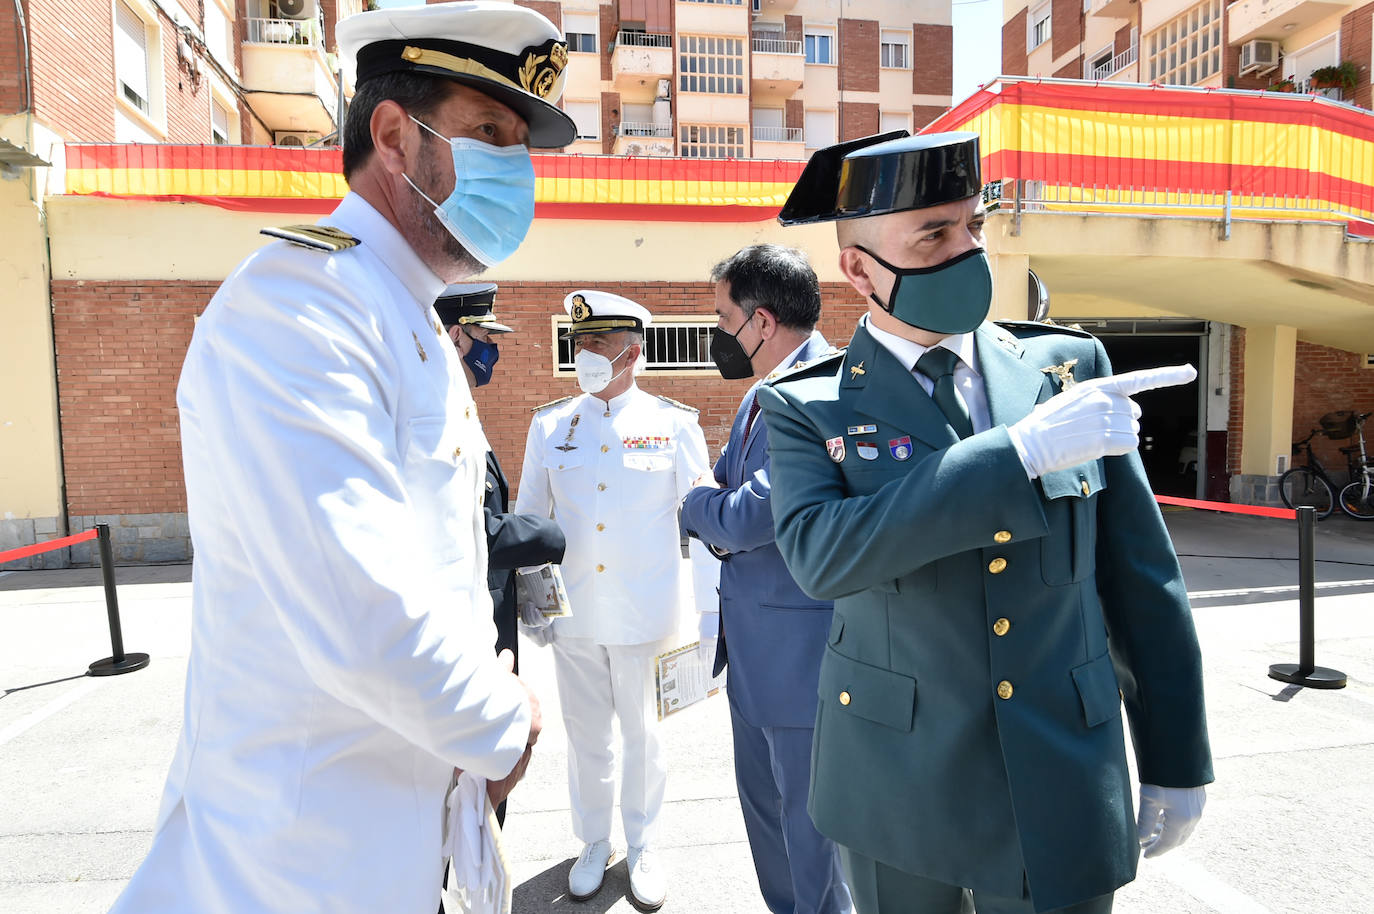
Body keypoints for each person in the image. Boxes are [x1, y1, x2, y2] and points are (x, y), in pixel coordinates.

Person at [107, 5, 576, 913]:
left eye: (521, 147)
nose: (516, 170)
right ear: (395, 136)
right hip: (292, 862)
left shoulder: (402, 311)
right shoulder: (300, 305)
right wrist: (500, 720)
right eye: (491, 133)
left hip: (393, 841)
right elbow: (359, 606)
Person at [756, 131, 1214, 914]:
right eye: (934, 234)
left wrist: (1176, 755)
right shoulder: (808, 404)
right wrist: (1016, 455)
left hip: (1061, 762)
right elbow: (822, 557)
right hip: (894, 773)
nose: (967, 250)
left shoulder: (1067, 372)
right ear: (859, 270)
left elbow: (1140, 577)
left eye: (974, 225)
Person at [514, 290, 721, 912]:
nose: (585, 353)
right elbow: (531, 522)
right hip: (574, 614)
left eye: (598, 344)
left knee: (644, 737)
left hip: (645, 613)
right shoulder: (551, 425)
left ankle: (643, 843)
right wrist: (535, 608)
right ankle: (593, 841)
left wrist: (711, 615)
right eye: (580, 343)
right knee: (586, 738)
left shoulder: (674, 423)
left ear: (632, 353)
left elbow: (704, 524)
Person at [679, 244, 852, 914]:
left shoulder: (825, 392)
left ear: (762, 321)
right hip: (754, 660)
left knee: (813, 841)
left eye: (725, 319)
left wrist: (698, 504)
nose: (720, 333)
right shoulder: (761, 394)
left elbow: (746, 515)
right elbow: (729, 491)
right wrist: (715, 506)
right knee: (769, 826)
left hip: (803, 663)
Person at [435, 282, 566, 831]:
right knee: (461, 799)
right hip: (463, 629)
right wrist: (547, 534)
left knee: (484, 799)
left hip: (488, 619)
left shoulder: (458, 404)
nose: (495, 350)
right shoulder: (437, 412)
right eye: (486, 337)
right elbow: (467, 529)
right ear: (456, 337)